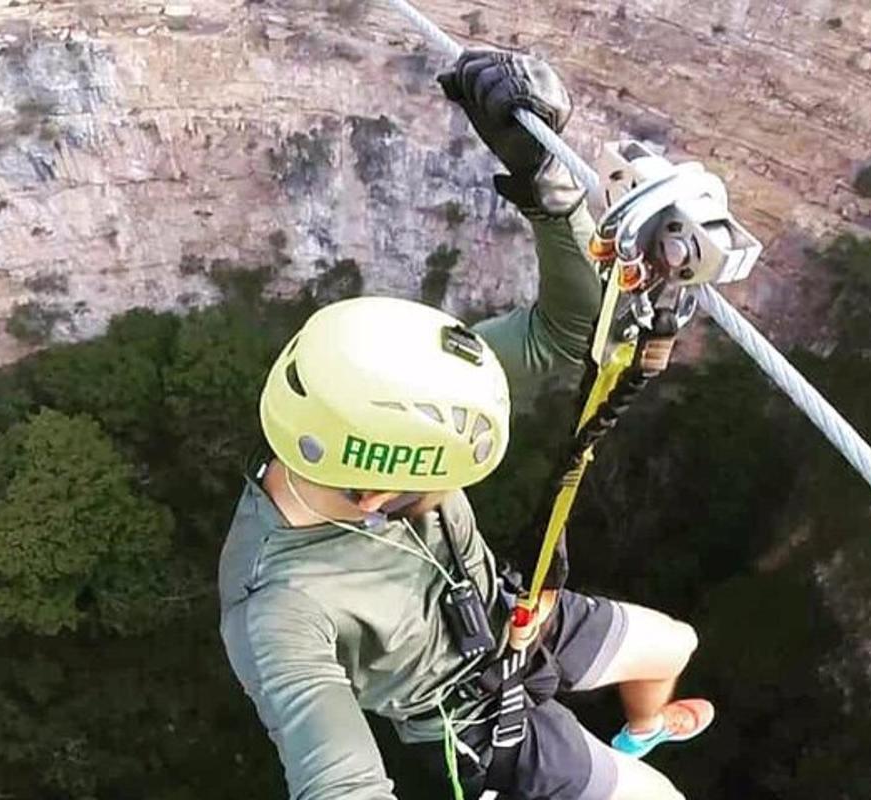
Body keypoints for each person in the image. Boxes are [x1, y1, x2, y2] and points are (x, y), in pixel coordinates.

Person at [218, 49, 714, 800]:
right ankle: (626, 765)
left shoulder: (392, 391)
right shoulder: (280, 611)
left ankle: (638, 731)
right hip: (475, 723)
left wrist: (547, 189)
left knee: (676, 643)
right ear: (377, 493)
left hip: (509, 611)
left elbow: (567, 333)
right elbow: (340, 784)